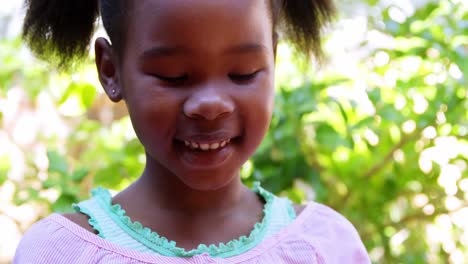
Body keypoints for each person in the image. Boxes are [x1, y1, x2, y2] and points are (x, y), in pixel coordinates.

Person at [14, 0, 370, 263]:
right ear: (111, 70)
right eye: (174, 76)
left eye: (243, 73)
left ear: (273, 59)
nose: (211, 104)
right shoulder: (59, 252)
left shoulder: (325, 247)